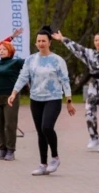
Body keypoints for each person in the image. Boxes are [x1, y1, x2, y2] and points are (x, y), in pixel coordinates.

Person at [9, 27, 75, 175]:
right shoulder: (31, 60)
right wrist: (14, 93)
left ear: (50, 42)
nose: (41, 43)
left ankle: (55, 157)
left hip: (53, 98)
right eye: (38, 41)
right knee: (40, 131)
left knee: (47, 127)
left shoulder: (58, 60)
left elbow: (65, 80)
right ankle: (43, 164)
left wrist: (69, 100)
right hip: (36, 99)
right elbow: (23, 77)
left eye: (43, 41)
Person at [54, 31, 99, 152]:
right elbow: (77, 48)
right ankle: (93, 137)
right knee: (89, 112)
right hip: (93, 84)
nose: (97, 42)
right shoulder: (89, 53)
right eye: (96, 40)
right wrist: (63, 39)